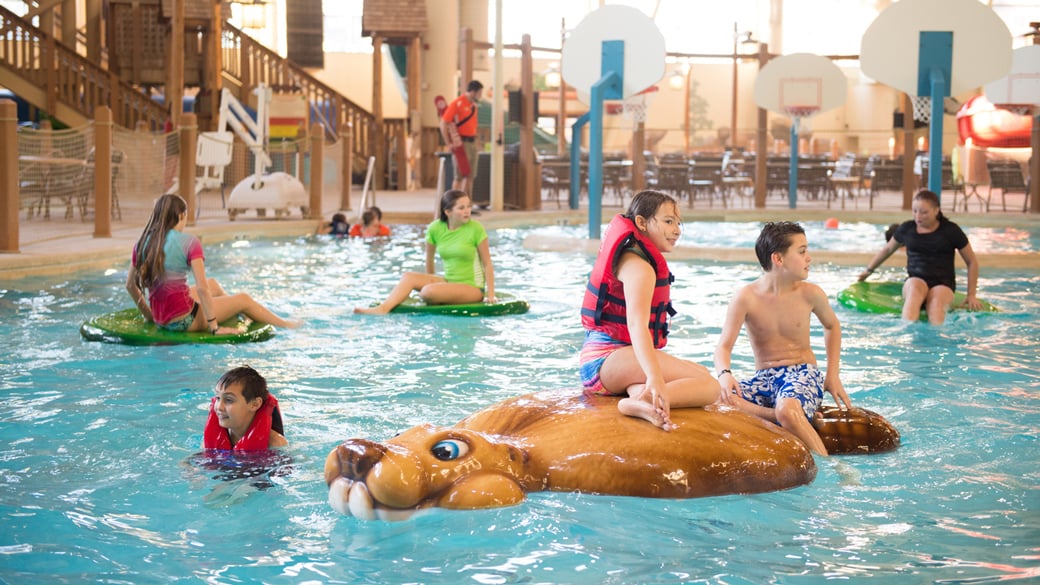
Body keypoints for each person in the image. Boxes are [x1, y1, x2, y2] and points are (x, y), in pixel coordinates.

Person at [579, 190, 720, 431]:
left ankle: (640, 401)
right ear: (642, 223)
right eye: (668, 221)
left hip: (607, 362)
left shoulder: (634, 256)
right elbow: (636, 326)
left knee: (700, 373)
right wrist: (655, 378)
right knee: (710, 387)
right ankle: (637, 401)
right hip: (606, 360)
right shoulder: (639, 268)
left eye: (678, 223)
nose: (676, 230)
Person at [714, 221, 851, 456]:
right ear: (778, 259)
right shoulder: (746, 297)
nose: (809, 257)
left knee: (787, 409)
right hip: (765, 378)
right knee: (715, 398)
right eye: (802, 251)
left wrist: (832, 375)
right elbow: (723, 347)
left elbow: (832, 326)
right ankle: (796, 418)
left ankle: (832, 465)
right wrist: (725, 375)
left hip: (802, 374)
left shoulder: (810, 294)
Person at [126, 194, 302, 334]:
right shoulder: (189, 242)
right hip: (185, 320)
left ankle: (239, 313)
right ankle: (286, 325)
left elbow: (130, 286)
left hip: (160, 318)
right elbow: (201, 289)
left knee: (213, 285)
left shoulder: (142, 243)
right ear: (181, 216)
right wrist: (214, 327)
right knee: (244, 299)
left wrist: (150, 316)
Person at [354, 190, 495, 315]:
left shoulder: (476, 229)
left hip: (472, 288)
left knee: (428, 291)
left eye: (469, 207)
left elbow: (487, 263)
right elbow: (429, 259)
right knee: (409, 277)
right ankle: (383, 309)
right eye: (461, 208)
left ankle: (434, 293)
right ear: (448, 212)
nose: (467, 211)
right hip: (449, 281)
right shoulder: (435, 228)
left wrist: (491, 294)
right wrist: (431, 283)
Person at [858, 190, 982, 325]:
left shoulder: (951, 231)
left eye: (924, 212)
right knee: (914, 292)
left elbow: (971, 262)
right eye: (915, 211)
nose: (918, 216)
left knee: (936, 304)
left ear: (936, 210)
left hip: (943, 285)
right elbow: (887, 249)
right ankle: (907, 334)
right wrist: (869, 270)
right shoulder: (907, 228)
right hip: (916, 281)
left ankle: (935, 340)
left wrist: (971, 295)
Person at [202, 366, 287, 450]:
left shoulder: (275, 444)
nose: (219, 407)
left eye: (229, 400)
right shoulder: (208, 440)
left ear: (255, 404)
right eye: (217, 398)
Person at [439, 80, 483, 194]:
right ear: (473, 92)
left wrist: (477, 143)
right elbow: (443, 123)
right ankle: (454, 203)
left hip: (472, 142)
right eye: (479, 93)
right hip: (461, 143)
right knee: (459, 175)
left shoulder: (474, 107)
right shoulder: (457, 103)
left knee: (470, 175)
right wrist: (448, 143)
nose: (480, 96)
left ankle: (466, 204)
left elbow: (473, 126)